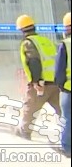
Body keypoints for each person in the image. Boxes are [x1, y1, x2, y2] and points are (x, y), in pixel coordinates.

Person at [15, 14, 61, 140]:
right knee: (62, 110)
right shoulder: (45, 41)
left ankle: (24, 131)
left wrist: (36, 81)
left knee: (30, 107)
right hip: (55, 82)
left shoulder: (28, 43)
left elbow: (34, 62)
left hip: (42, 83)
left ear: (21, 30)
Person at [54, 12, 71, 157]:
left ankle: (67, 148)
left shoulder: (65, 44)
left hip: (69, 90)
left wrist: (60, 85)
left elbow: (60, 69)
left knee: (68, 119)